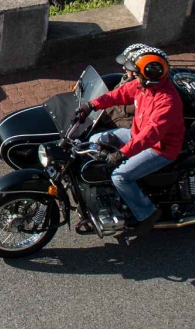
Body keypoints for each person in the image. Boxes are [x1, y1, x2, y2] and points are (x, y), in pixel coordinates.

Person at [77, 44, 186, 239]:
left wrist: (122, 154)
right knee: (94, 141)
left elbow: (149, 136)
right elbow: (118, 94)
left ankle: (147, 214)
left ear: (150, 74)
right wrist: (91, 105)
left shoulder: (166, 102)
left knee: (120, 176)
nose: (133, 76)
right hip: (136, 134)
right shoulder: (143, 86)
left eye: (137, 73)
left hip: (160, 148)